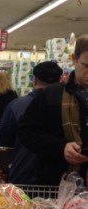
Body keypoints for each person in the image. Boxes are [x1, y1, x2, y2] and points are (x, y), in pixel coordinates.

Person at [18, 35, 88, 186]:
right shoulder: (51, 96)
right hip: (58, 183)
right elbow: (26, 132)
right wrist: (61, 148)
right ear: (74, 59)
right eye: (86, 66)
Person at [0, 61, 63, 184]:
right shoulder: (68, 107)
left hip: (23, 175)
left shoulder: (17, 105)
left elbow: (5, 138)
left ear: (35, 80)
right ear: (60, 81)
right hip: (59, 180)